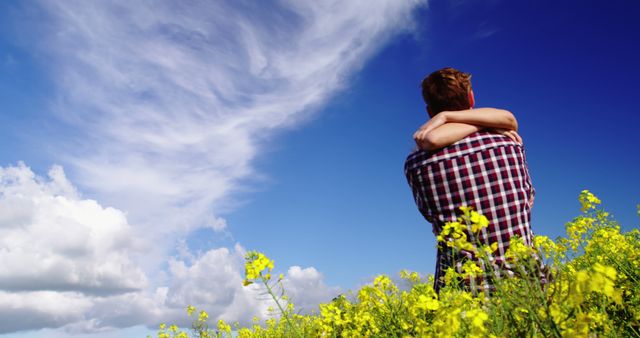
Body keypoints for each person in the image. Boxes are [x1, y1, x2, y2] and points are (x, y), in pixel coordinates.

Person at [404, 67, 538, 294]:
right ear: (471, 98)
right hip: (528, 287)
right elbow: (528, 199)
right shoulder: (510, 144)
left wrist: (445, 118)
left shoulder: (416, 165)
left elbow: (430, 215)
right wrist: (484, 124)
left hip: (462, 295)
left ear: (429, 112)